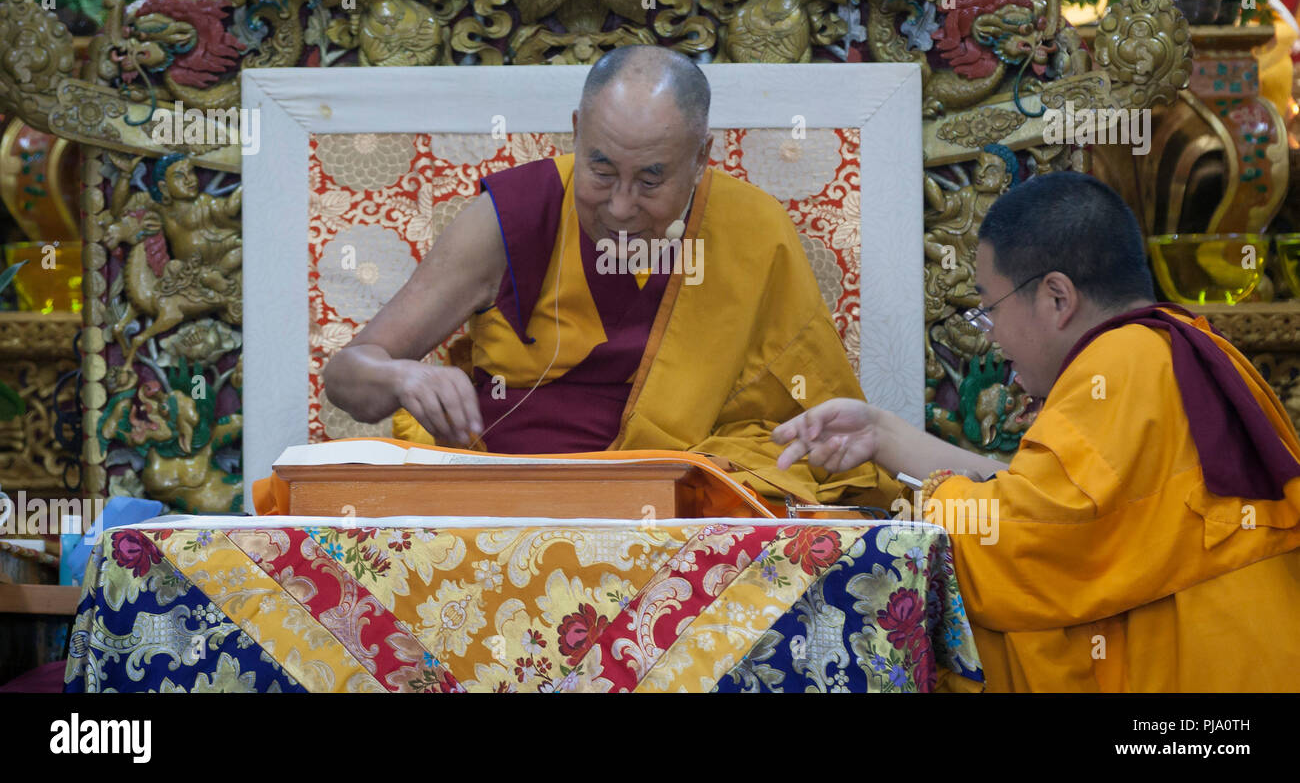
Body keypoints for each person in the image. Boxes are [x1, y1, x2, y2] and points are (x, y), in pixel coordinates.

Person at [774, 171, 1300, 692]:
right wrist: (880, 432)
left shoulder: (1120, 365)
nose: (993, 335)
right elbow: (1044, 507)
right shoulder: (1171, 349)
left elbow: (1021, 548)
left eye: (989, 308)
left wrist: (919, 513)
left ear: (1056, 297)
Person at [314, 45, 897, 509]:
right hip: (504, 504)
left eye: (650, 180)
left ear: (701, 157)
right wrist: (399, 377)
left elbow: (810, 423)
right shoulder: (516, 215)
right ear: (576, 131)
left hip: (674, 514)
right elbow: (346, 376)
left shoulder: (752, 231)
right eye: (600, 169)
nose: (619, 206)